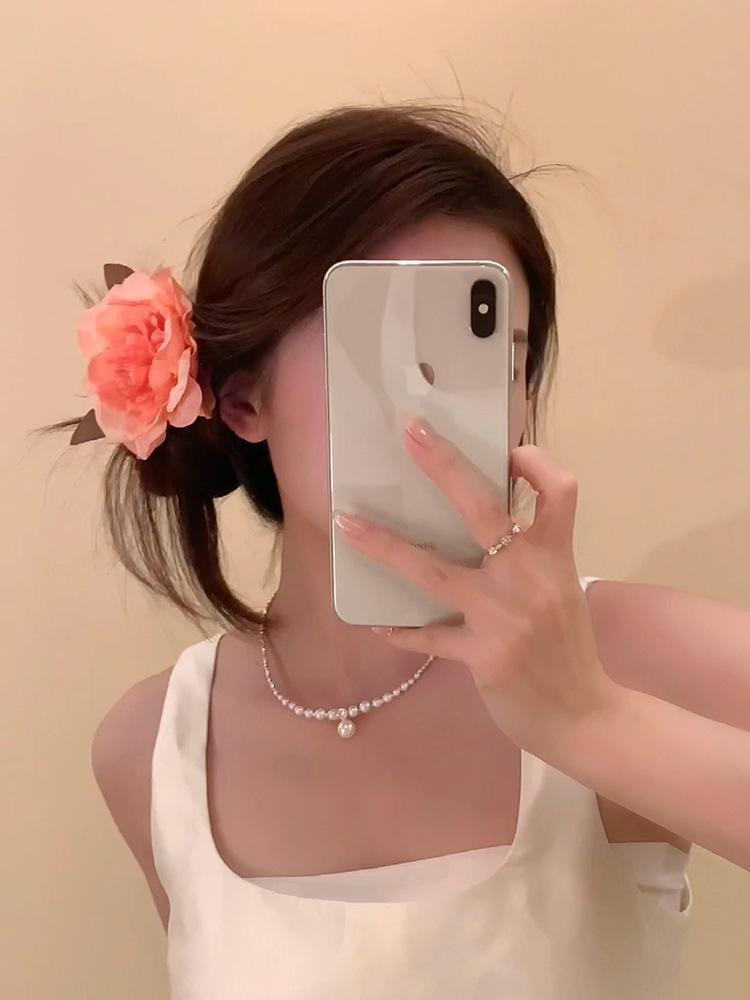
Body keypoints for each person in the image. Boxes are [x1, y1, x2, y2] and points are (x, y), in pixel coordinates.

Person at [52, 103, 700, 998]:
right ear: (241, 401)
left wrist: (595, 719)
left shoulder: (625, 655)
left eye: (490, 357)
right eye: (381, 352)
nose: (431, 410)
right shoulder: (152, 750)